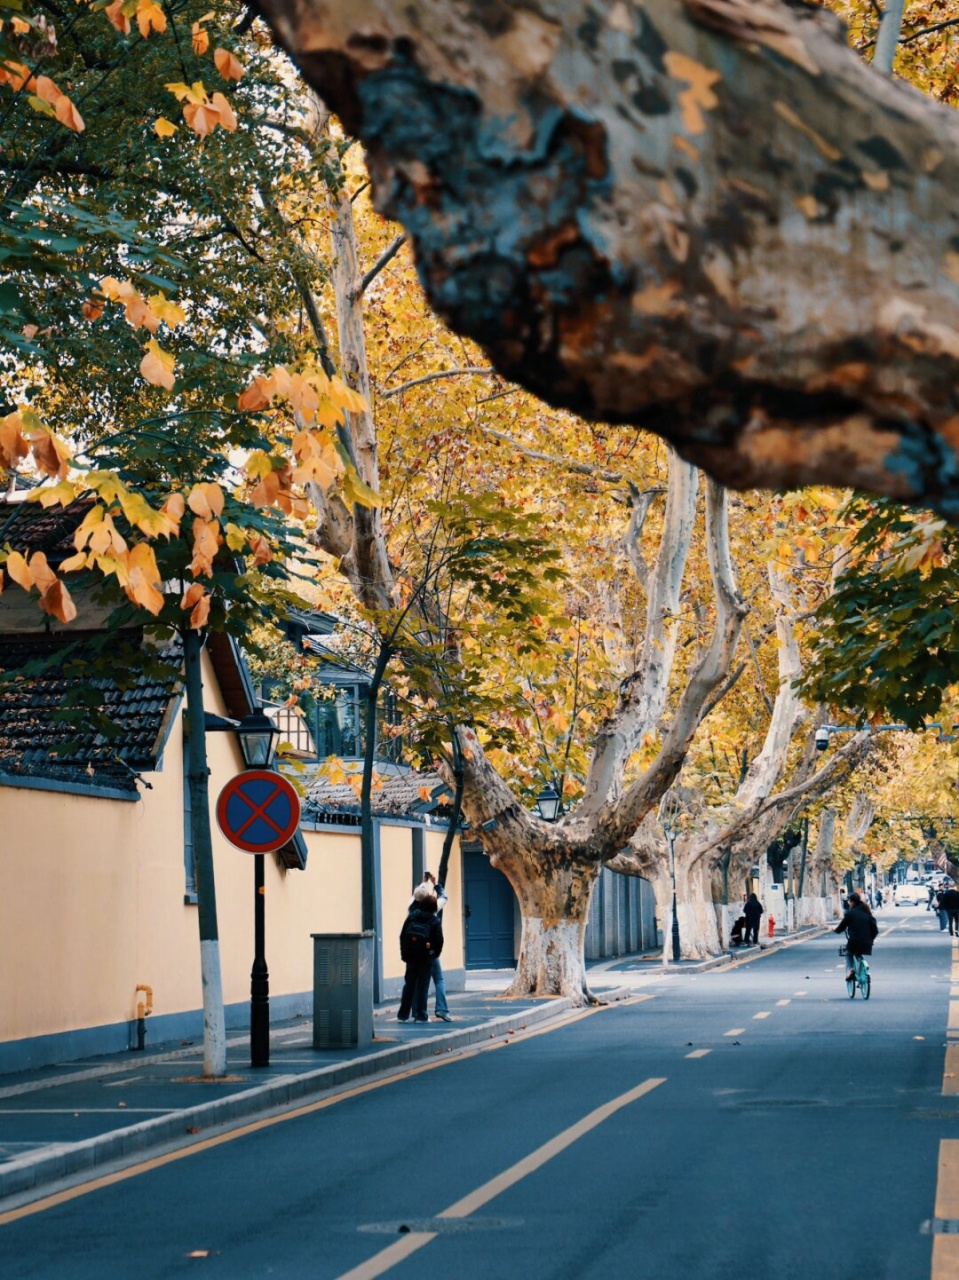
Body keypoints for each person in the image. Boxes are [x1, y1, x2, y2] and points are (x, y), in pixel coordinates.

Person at [397, 884, 443, 1023]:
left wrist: (404, 954)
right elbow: (439, 940)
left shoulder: (412, 916)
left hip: (411, 956)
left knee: (409, 985)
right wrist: (434, 954)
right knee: (423, 986)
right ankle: (421, 1015)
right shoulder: (434, 920)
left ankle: (403, 1015)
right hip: (425, 958)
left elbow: (402, 935)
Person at [419, 871, 453, 1021]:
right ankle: (442, 1009)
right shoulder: (434, 911)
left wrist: (424, 883)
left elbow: (418, 895)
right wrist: (435, 884)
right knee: (438, 980)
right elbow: (444, 897)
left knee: (419, 981)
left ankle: (418, 1012)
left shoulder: (413, 910)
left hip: (415, 951)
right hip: (430, 952)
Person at [834, 891, 879, 982]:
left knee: (848, 954)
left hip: (854, 942)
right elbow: (875, 930)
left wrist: (834, 930)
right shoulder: (868, 914)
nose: (849, 903)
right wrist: (871, 939)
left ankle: (851, 970)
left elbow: (840, 928)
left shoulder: (850, 914)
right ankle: (862, 970)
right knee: (859, 953)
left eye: (849, 901)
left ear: (853, 902)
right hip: (867, 943)